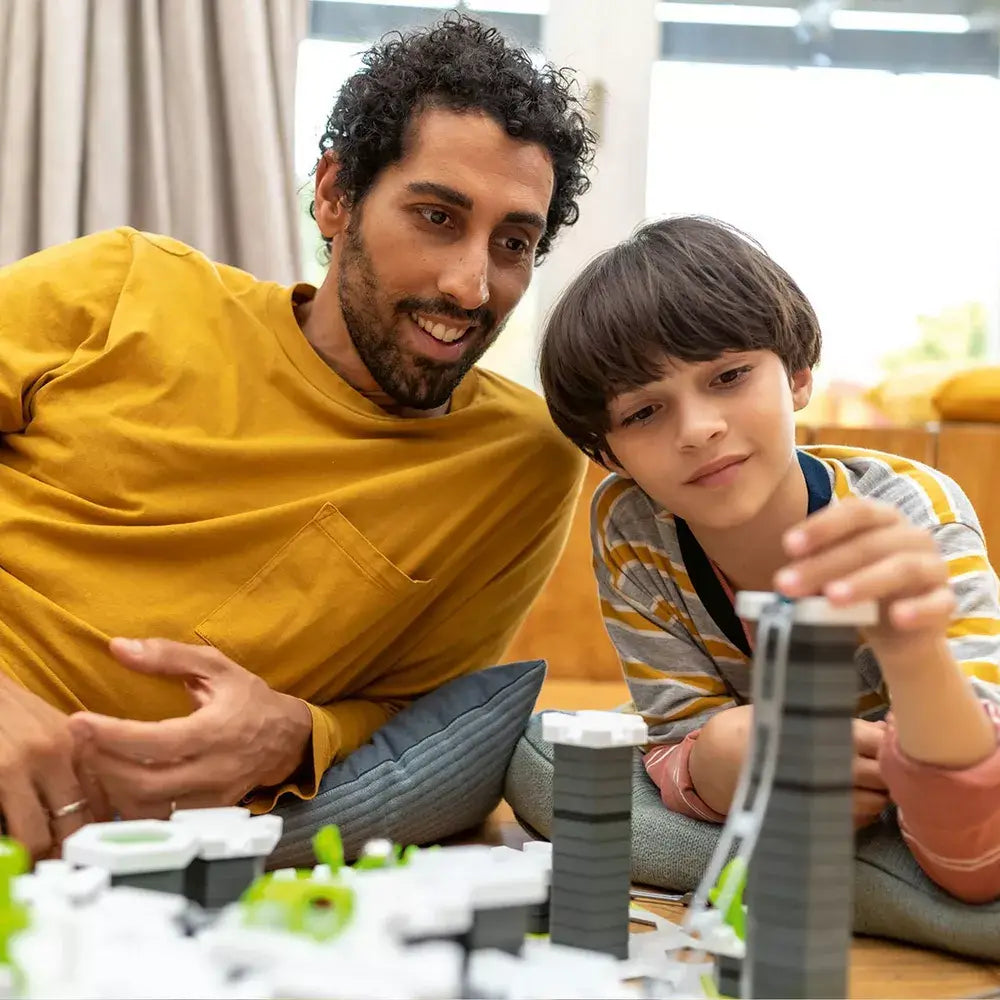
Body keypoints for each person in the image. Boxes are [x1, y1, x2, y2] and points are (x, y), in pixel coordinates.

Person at [0, 15, 594, 859]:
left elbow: (414, 714)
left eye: (511, 243)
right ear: (335, 195)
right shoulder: (120, 286)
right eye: (435, 216)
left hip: (121, 879)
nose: (469, 286)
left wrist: (297, 734)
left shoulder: (520, 462)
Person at [539, 215, 1000, 904]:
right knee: (546, 757)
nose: (698, 430)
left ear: (799, 376)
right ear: (608, 454)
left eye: (728, 376)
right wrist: (722, 760)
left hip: (942, 757)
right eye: (643, 413)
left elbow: (980, 793)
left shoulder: (911, 511)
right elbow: (675, 729)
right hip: (784, 768)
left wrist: (911, 656)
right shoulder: (629, 523)